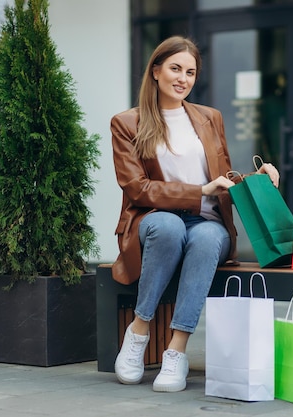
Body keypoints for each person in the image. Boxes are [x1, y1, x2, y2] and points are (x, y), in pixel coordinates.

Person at [109, 36, 280, 392]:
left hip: (207, 222)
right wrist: (197, 192)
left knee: (203, 238)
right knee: (170, 227)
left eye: (190, 72)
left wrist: (254, 179)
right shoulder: (127, 123)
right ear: (155, 71)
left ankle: (177, 350)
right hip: (152, 219)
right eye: (175, 69)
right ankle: (139, 330)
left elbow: (224, 177)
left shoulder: (209, 117)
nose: (182, 78)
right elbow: (136, 188)